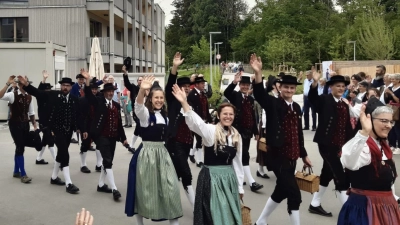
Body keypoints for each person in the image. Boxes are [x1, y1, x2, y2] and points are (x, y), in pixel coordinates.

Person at [251, 54, 312, 225]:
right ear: (280, 87)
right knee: (294, 194)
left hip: (292, 157)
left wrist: (304, 155)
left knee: (281, 190)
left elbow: (298, 133)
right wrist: (258, 72)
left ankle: (261, 221)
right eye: (286, 87)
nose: (289, 90)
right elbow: (259, 94)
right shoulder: (273, 104)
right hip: (277, 156)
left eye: (292, 88)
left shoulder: (297, 107)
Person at [172, 84, 244, 225]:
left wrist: (240, 187)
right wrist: (184, 103)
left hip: (229, 179)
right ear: (218, 115)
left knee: (229, 214)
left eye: (231, 114)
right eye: (225, 114)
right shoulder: (211, 131)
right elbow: (196, 123)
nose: (228, 117)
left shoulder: (236, 135)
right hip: (212, 179)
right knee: (214, 214)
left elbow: (237, 162)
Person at [125, 76, 182, 225]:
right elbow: (138, 107)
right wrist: (142, 90)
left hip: (162, 154)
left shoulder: (165, 116)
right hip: (146, 155)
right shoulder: (145, 116)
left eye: (161, 98)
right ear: (150, 99)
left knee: (171, 190)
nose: (159, 100)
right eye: (156, 97)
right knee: (144, 192)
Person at [338, 98, 400, 224]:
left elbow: (386, 181)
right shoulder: (363, 145)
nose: (389, 125)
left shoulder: (383, 146)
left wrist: (394, 198)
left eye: (391, 122)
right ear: (369, 120)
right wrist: (364, 132)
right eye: (384, 121)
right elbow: (348, 161)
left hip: (386, 208)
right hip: (364, 210)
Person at [21, 76, 81, 194]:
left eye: (67, 85)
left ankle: (54, 178)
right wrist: (27, 85)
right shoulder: (53, 95)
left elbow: (77, 115)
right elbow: (38, 93)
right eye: (63, 85)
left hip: (68, 131)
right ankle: (69, 183)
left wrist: (80, 128)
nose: (65, 87)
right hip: (55, 130)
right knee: (64, 153)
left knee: (61, 153)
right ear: (61, 86)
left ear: (71, 87)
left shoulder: (74, 99)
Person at [307, 73, 353, 216]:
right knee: (340, 177)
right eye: (337, 86)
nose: (340, 88)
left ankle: (314, 204)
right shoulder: (324, 99)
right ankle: (349, 212)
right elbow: (312, 98)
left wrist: (352, 143)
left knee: (327, 174)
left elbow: (347, 126)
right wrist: (314, 83)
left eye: (342, 86)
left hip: (340, 145)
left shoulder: (344, 103)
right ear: (331, 87)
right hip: (326, 145)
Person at [81, 70, 127, 200]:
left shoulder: (117, 106)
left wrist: (123, 138)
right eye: (108, 91)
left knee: (108, 161)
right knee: (107, 161)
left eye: (112, 91)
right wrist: (88, 80)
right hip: (101, 136)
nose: (111, 93)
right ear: (104, 92)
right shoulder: (99, 102)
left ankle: (101, 185)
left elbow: (119, 124)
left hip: (113, 137)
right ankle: (114, 189)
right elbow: (89, 95)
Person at [224, 73, 264, 192]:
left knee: (239, 155)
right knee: (244, 154)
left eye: (247, 85)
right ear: (240, 85)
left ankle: (237, 177)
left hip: (247, 132)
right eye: (243, 85)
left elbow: (253, 115)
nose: (245, 87)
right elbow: (226, 93)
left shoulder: (251, 99)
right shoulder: (235, 96)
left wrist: (256, 131)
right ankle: (252, 182)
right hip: (237, 131)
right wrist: (234, 82)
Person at [165, 52, 195, 208]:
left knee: (177, 174)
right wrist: (175, 67)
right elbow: (170, 83)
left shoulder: (191, 103)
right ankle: (196, 206)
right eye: (182, 87)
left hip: (187, 143)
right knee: (186, 174)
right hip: (175, 141)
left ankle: (169, 199)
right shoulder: (172, 100)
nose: (185, 90)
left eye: (187, 87)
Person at [0, 75, 37, 183]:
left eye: (25, 83)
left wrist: (34, 126)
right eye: (21, 84)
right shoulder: (12, 95)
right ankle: (23, 174)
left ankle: (16, 171)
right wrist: (7, 84)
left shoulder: (30, 96)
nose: (23, 85)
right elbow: (0, 95)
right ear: (19, 85)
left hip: (25, 125)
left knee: (20, 147)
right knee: (20, 147)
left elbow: (31, 113)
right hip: (15, 124)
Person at [78, 77, 103, 173]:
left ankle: (99, 164)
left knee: (99, 144)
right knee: (85, 145)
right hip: (86, 126)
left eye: (96, 89)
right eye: (92, 89)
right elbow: (80, 115)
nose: (94, 91)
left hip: (96, 126)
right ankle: (83, 164)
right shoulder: (82, 100)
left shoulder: (99, 99)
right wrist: (80, 128)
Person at [187, 75, 212, 167]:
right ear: (196, 84)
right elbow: (191, 109)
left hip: (204, 120)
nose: (203, 85)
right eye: (202, 83)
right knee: (199, 140)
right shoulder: (191, 94)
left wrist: (209, 119)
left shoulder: (203, 94)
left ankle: (191, 153)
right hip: (196, 122)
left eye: (204, 83)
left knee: (200, 140)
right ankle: (199, 161)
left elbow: (206, 107)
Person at [35, 70, 56, 165]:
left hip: (50, 122)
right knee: (50, 141)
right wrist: (44, 79)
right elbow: (39, 90)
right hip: (43, 122)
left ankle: (38, 158)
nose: (48, 91)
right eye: (46, 90)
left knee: (45, 141)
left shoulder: (51, 98)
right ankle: (57, 161)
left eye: (49, 89)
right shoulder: (40, 98)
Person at [122, 68, 142, 151]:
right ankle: (132, 145)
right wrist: (125, 74)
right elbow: (127, 84)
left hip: (146, 112)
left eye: (142, 80)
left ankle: (132, 145)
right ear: (137, 82)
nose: (141, 81)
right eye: (139, 80)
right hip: (136, 112)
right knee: (140, 126)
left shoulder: (147, 90)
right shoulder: (134, 88)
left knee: (139, 128)